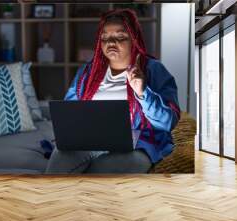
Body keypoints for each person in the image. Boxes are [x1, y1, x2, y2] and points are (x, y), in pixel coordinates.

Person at [45, 8, 180, 174]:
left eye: (120, 36)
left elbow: (168, 122)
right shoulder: (88, 72)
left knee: (109, 167)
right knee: (61, 155)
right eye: (105, 37)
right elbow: (69, 113)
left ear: (133, 38)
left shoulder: (153, 69)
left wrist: (142, 92)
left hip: (137, 144)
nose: (111, 42)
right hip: (89, 139)